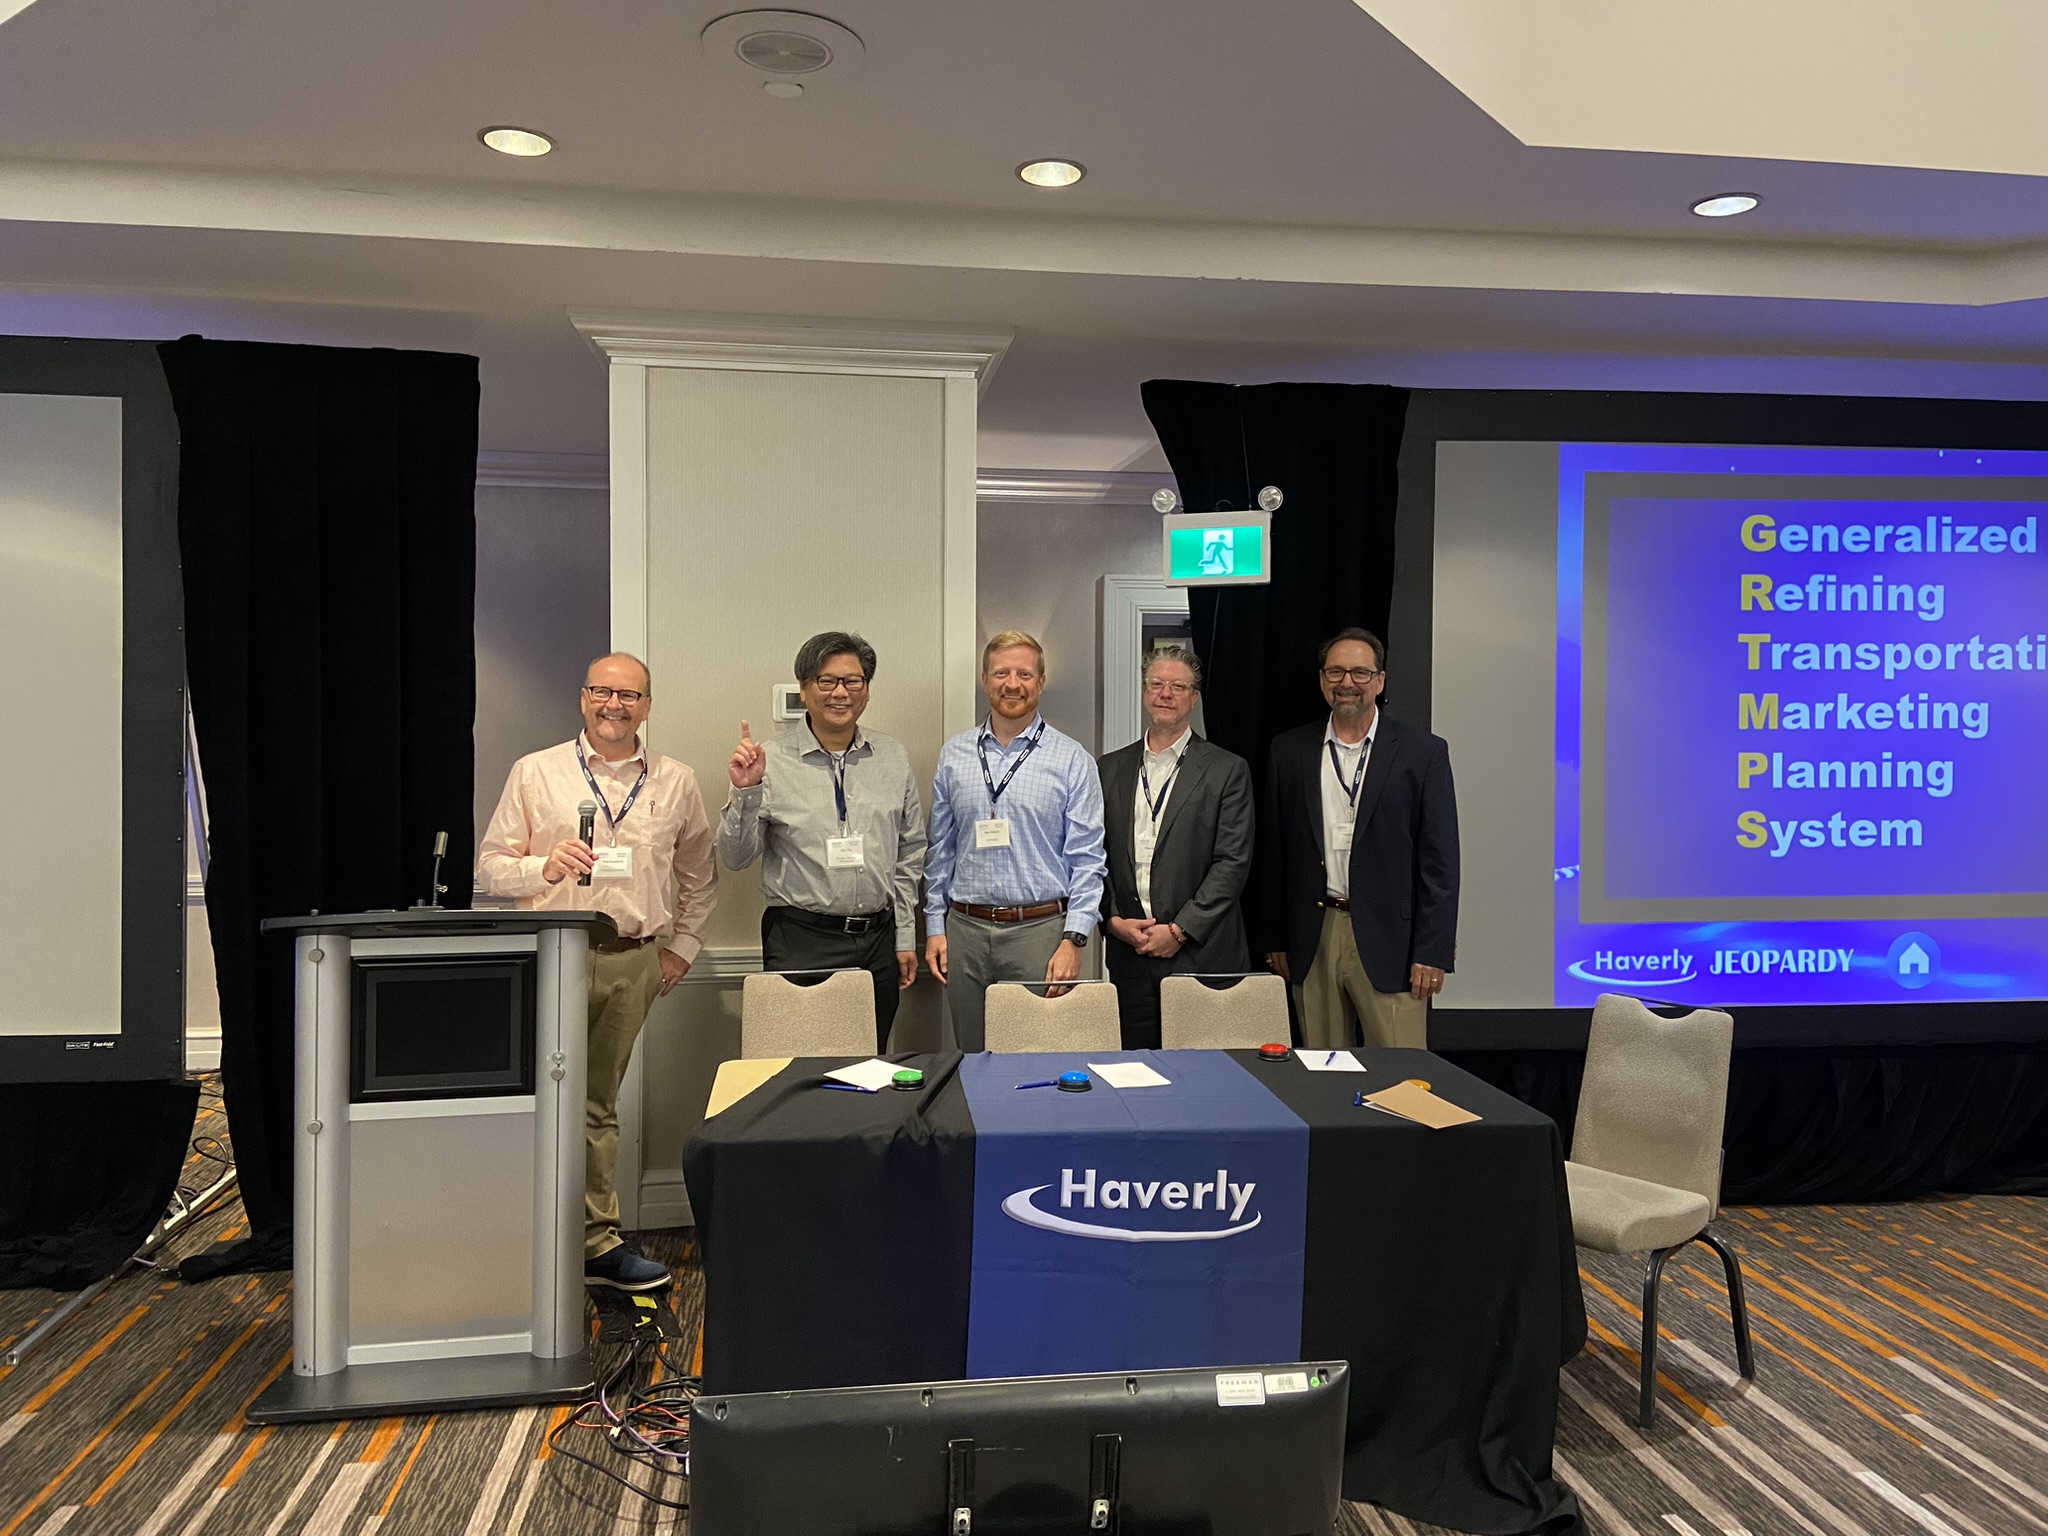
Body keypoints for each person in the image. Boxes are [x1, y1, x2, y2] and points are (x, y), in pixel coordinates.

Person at [478, 652, 717, 1292]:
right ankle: (518, 1238)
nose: (615, 705)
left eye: (629, 695)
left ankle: (595, 1245)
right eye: (603, 692)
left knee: (595, 1105)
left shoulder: (676, 780)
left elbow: (700, 874)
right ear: (584, 698)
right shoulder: (536, 772)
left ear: (647, 705)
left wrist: (681, 948)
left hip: (633, 962)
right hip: (550, 956)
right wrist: (542, 868)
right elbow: (491, 868)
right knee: (530, 1099)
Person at [719, 632, 927, 1049]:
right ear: (804, 689)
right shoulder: (769, 760)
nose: (840, 693)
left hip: (878, 939)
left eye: (853, 681)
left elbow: (910, 852)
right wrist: (746, 791)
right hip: (801, 938)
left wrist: (905, 934)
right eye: (826, 680)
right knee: (801, 1060)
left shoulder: (892, 756)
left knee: (870, 1062)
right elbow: (735, 857)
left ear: (866, 689)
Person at [1259, 627, 1459, 1050]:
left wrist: (1433, 951)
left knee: (1404, 1075)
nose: (1346, 682)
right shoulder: (1289, 751)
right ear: (1322, 680)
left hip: (1394, 944)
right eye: (1335, 672)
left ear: (1380, 681)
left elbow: (1440, 862)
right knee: (1323, 1072)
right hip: (1313, 936)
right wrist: (1275, 938)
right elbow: (1275, 854)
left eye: (1360, 673)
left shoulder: (1422, 753)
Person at [925, 631, 1107, 1051]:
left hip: (1040, 934)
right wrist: (935, 927)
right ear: (985, 680)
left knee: (1037, 1057)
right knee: (971, 1056)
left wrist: (1075, 939)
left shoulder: (1072, 760)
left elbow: (1088, 860)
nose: (1012, 684)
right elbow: (940, 850)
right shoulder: (954, 755)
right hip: (965, 933)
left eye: (1024, 674)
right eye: (1001, 673)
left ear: (1040, 682)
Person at [1096, 646, 1254, 1049]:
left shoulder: (1226, 770)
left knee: (1205, 1074)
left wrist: (1180, 931)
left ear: (1194, 698)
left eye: (1178, 686)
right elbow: (1095, 856)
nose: (1165, 693)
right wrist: (1112, 920)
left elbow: (1232, 863)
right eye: (1156, 684)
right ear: (1144, 692)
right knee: (1135, 1071)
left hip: (1201, 956)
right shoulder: (1109, 768)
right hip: (1130, 955)